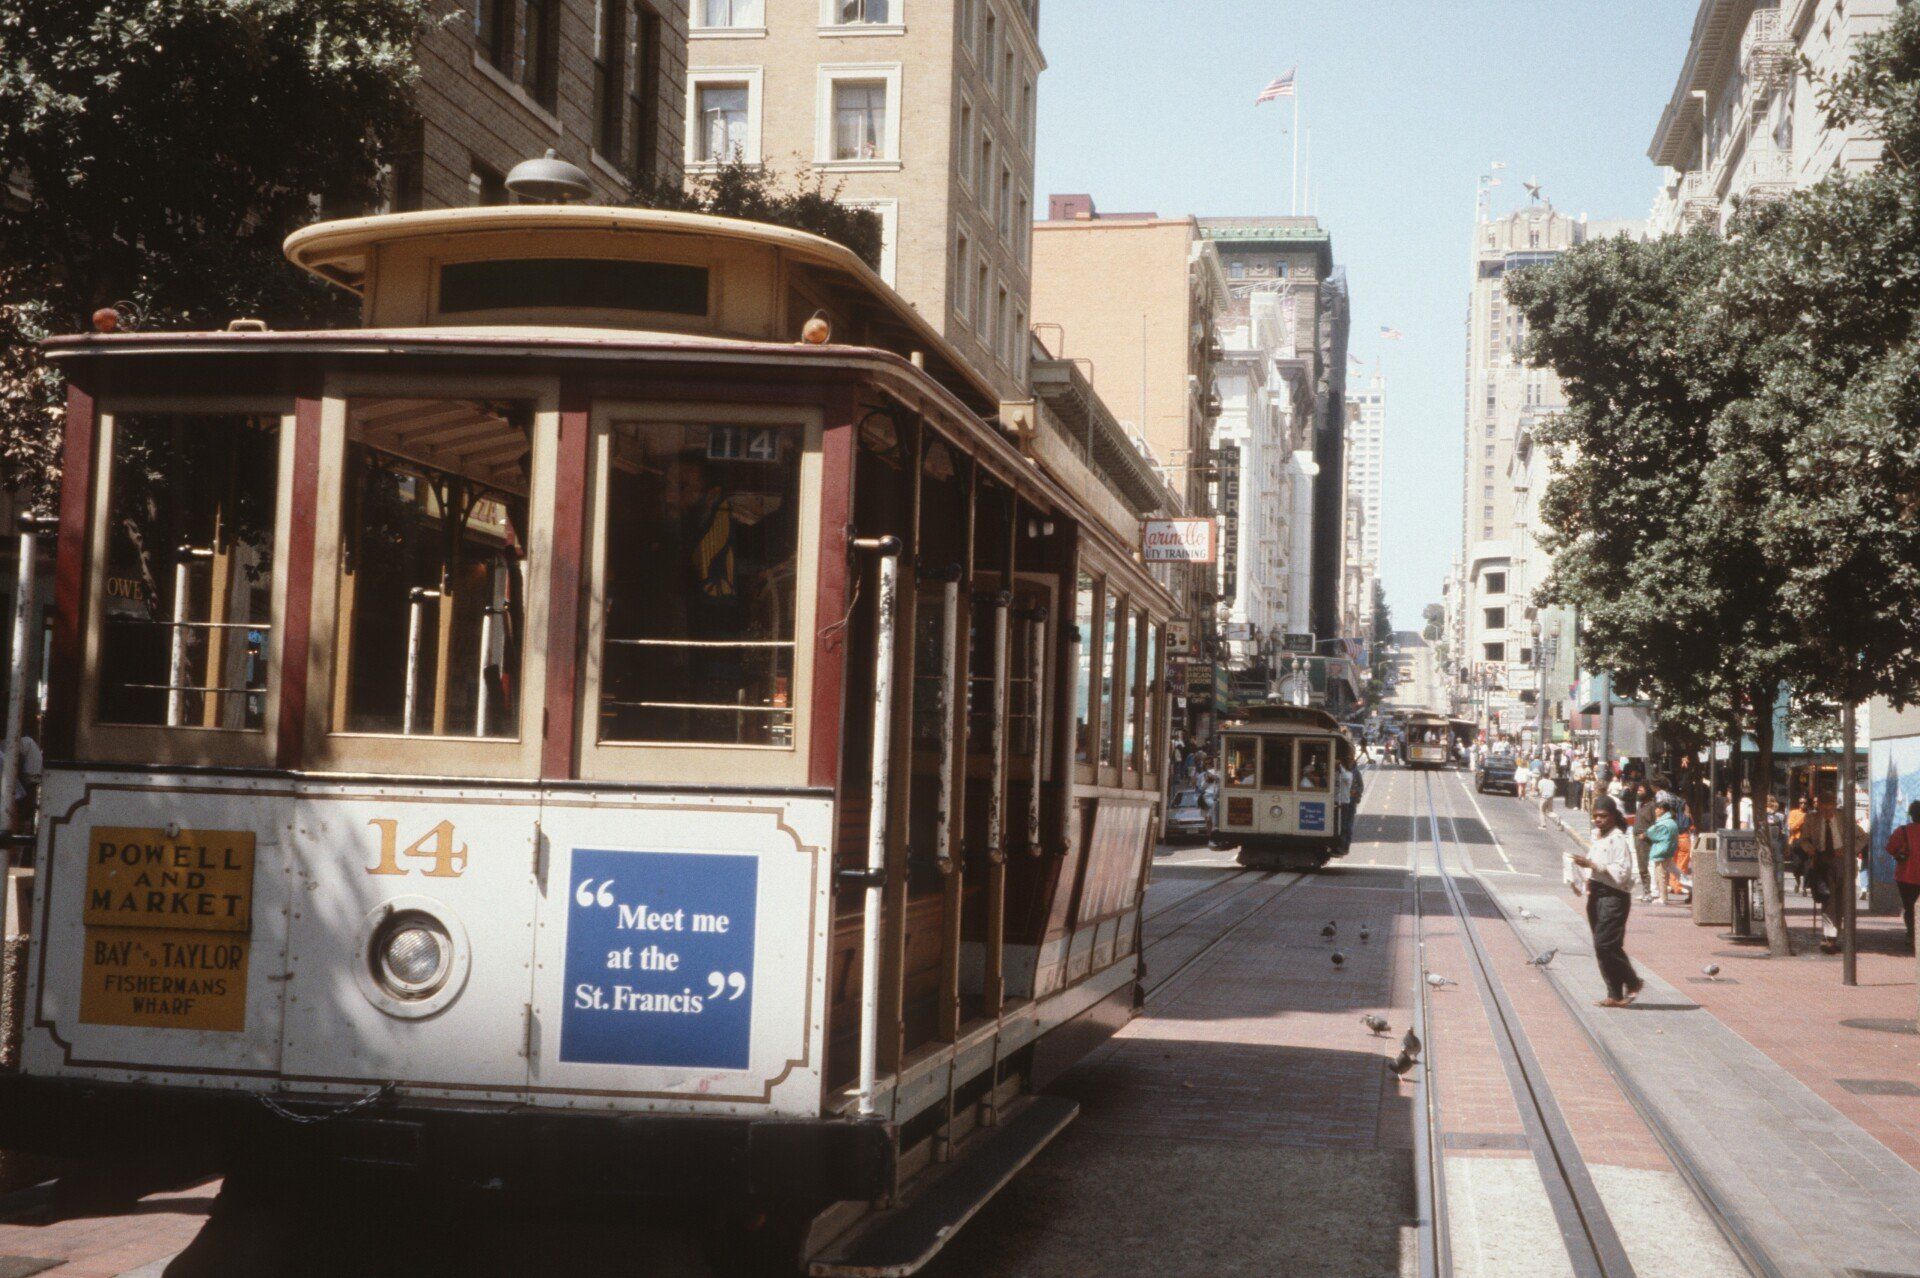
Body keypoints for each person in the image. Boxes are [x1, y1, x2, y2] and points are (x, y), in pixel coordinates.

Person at [1567, 798, 1643, 1007]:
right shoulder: (1599, 837)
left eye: (1603, 816)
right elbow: (1597, 867)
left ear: (1613, 816)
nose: (1598, 820)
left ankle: (1633, 981)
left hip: (1614, 897)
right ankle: (1615, 994)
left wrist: (1591, 864)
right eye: (1595, 816)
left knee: (1605, 944)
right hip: (1597, 895)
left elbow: (1621, 872)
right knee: (1604, 946)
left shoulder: (1617, 839)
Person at [1803, 794, 1864, 955]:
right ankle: (1830, 937)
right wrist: (1809, 848)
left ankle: (1838, 935)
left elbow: (1863, 837)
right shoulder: (1811, 819)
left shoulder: (1844, 818)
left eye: (1830, 808)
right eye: (1823, 808)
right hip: (1822, 862)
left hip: (1843, 862)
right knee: (1828, 899)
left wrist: (1849, 850)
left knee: (1843, 900)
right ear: (1819, 807)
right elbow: (1803, 840)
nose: (1827, 812)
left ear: (1835, 806)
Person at [1888, 801, 1920, 954]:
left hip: (1905, 876)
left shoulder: (1902, 831)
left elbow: (1889, 848)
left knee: (1909, 907)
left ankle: (1912, 935)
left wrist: (1900, 852)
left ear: (1911, 815)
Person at [1648, 800, 1682, 904]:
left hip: (1660, 852)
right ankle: (1691, 886)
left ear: (1662, 810)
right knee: (1676, 873)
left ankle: (1663, 898)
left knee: (1660, 875)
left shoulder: (1663, 823)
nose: (1655, 810)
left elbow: (1651, 833)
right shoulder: (1671, 822)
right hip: (1668, 851)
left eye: (1657, 808)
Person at [1632, 784, 1658, 902]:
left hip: (1645, 840)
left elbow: (1656, 824)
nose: (1638, 792)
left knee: (1645, 866)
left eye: (1640, 790)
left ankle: (1649, 892)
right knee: (1641, 866)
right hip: (1637, 839)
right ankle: (1645, 890)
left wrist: (1646, 834)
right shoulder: (1641, 805)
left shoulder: (1652, 806)